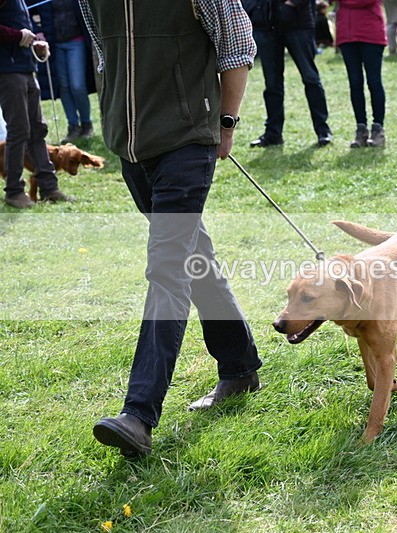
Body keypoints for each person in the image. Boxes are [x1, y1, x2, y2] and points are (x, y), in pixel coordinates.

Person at [79, 0, 263, 457]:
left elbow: (238, 47)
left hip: (186, 143)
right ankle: (240, 367)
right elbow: (104, 54)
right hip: (131, 150)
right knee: (192, 257)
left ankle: (138, 415)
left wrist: (225, 122)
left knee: (167, 269)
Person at [0, 0, 72, 209]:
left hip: (25, 66)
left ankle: (49, 188)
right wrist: (18, 36)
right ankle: (14, 191)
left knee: (37, 129)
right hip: (7, 70)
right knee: (19, 130)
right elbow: (15, 32)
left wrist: (35, 45)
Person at [243, 0, 334, 147]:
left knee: (310, 78)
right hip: (265, 23)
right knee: (272, 84)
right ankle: (273, 134)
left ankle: (323, 131)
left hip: (299, 23)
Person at [30, 0, 95, 143]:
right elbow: (27, 10)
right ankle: (73, 126)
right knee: (63, 86)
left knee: (77, 85)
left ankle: (86, 124)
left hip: (76, 41)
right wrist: (38, 30)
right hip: (54, 44)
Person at [335, 0, 388, 148]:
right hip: (347, 33)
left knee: (374, 81)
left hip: (370, 33)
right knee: (355, 83)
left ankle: (378, 129)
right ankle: (361, 129)